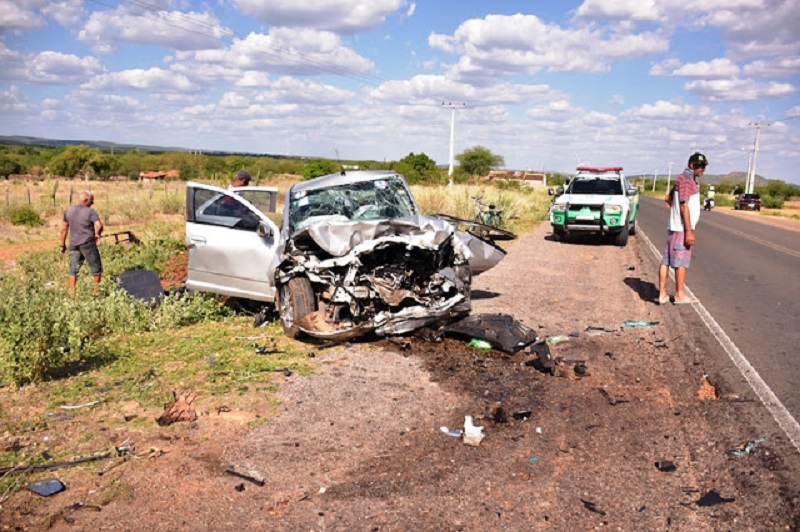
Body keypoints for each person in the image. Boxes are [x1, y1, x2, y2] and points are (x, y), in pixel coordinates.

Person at [658, 152, 707, 305]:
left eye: (704, 167)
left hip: (675, 227)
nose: (702, 170)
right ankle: (679, 294)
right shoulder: (686, 180)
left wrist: (671, 201)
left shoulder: (683, 179)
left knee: (666, 260)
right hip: (681, 228)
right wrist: (689, 231)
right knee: (680, 263)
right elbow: (684, 205)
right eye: (700, 166)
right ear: (692, 165)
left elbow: (669, 197)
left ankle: (662, 294)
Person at [60, 190, 104, 295]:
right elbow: (99, 225)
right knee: (96, 268)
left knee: (73, 269)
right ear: (85, 200)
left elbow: (64, 229)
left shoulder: (68, 211)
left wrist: (62, 244)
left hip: (73, 244)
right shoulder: (90, 212)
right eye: (91, 201)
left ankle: (73, 294)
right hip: (87, 243)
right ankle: (96, 292)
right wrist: (97, 234)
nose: (92, 203)